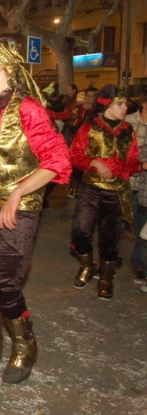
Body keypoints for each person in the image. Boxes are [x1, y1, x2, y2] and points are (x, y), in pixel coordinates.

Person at [0, 37, 71, 384]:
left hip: (18, 208)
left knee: (3, 282)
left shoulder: (28, 108)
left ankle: (25, 345)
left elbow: (58, 161)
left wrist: (18, 193)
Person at [69, 84, 142, 300]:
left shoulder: (128, 131)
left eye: (125, 104)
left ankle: (106, 278)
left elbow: (132, 163)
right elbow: (74, 155)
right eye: (120, 103)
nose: (125, 107)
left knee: (110, 239)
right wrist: (94, 162)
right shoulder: (89, 127)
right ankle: (87, 265)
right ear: (107, 104)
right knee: (80, 232)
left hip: (117, 192)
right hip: (91, 189)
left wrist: (138, 166)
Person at [125, 91, 147, 284]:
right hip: (128, 182)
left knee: (142, 229)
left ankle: (138, 263)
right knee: (120, 223)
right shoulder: (129, 122)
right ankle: (110, 260)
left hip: (145, 188)